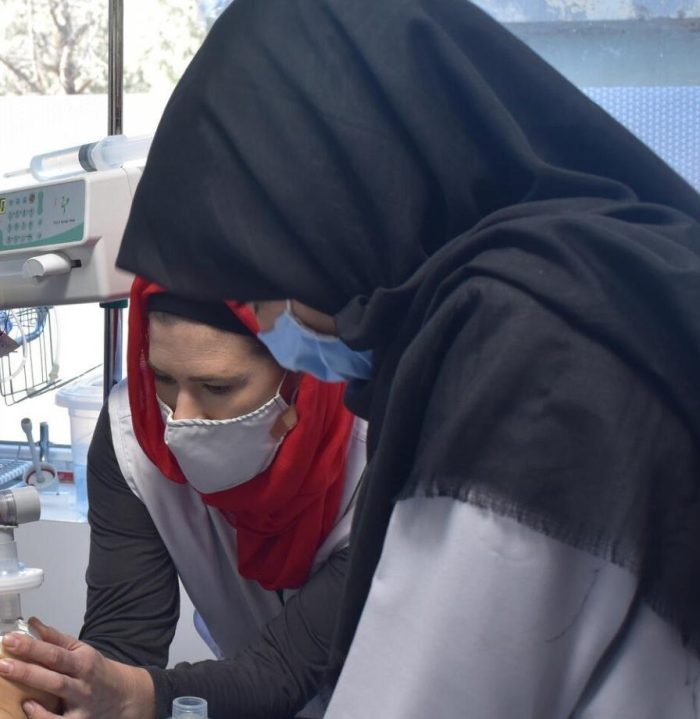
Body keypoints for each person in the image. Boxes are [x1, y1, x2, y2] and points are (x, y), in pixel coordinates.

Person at [113, 0, 700, 715]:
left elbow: (426, 689)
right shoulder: (602, 274)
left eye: (269, 287)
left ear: (344, 208)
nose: (271, 322)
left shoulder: (522, 344)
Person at [0, 280, 366, 718]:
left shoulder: (381, 459)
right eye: (164, 379)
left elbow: (282, 671)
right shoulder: (133, 436)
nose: (181, 421)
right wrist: (5, 664)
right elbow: (123, 644)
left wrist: (127, 693)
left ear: (301, 376)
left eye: (218, 388)